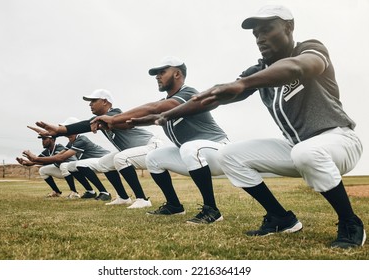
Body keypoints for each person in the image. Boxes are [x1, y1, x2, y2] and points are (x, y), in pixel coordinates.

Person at [142, 5, 365, 248]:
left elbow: (298, 67)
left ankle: (350, 222)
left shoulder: (309, 48)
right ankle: (281, 218)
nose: (260, 38)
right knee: (230, 155)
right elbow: (213, 97)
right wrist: (170, 113)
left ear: (289, 27)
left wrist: (244, 84)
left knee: (306, 152)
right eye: (256, 34)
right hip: (297, 147)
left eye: (268, 29)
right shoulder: (260, 70)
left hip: (339, 140)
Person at [92, 56, 229, 224]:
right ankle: (174, 205)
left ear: (177, 74)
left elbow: (155, 108)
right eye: (156, 73)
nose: (157, 76)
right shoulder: (166, 102)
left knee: (189, 148)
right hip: (193, 154)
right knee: (154, 157)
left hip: (218, 150)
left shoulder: (188, 93)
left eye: (162, 72)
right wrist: (121, 122)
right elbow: (150, 116)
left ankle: (212, 210)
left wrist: (114, 118)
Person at [32, 89, 162, 209]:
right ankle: (123, 198)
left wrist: (58, 130)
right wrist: (55, 132)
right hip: (136, 151)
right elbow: (84, 126)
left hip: (151, 147)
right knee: (105, 163)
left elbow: (84, 126)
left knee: (120, 158)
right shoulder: (98, 120)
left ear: (105, 102)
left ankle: (142, 199)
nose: (90, 104)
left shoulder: (115, 113)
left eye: (94, 101)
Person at [25, 117, 111, 200]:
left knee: (77, 164)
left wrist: (35, 159)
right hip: (96, 163)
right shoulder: (71, 143)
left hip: (105, 160)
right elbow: (57, 155)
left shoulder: (81, 140)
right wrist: (34, 160)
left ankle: (104, 193)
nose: (65, 129)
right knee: (71, 166)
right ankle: (90, 192)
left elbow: (61, 158)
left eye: (68, 127)